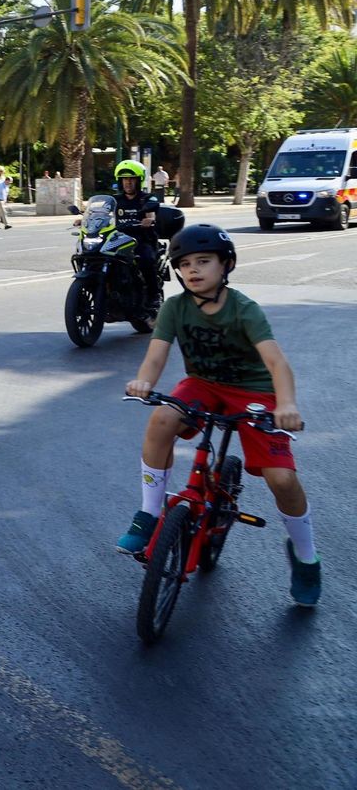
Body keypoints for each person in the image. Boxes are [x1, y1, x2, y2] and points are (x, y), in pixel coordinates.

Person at [118, 225, 320, 606]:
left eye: (204, 261)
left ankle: (306, 556)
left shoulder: (243, 309)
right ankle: (147, 514)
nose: (193, 270)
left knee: (283, 479)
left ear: (226, 264)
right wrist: (143, 382)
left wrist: (287, 405)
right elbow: (157, 354)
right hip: (203, 385)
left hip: (255, 392)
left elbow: (276, 362)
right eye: (185, 264)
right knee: (161, 419)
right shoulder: (175, 307)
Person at [108, 159, 161, 306]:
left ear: (139, 181)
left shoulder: (147, 198)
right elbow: (102, 211)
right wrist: (86, 219)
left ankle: (154, 295)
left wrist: (149, 220)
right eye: (125, 179)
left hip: (142, 239)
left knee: (146, 259)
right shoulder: (115, 200)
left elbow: (152, 212)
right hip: (119, 240)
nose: (128, 182)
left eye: (132, 179)